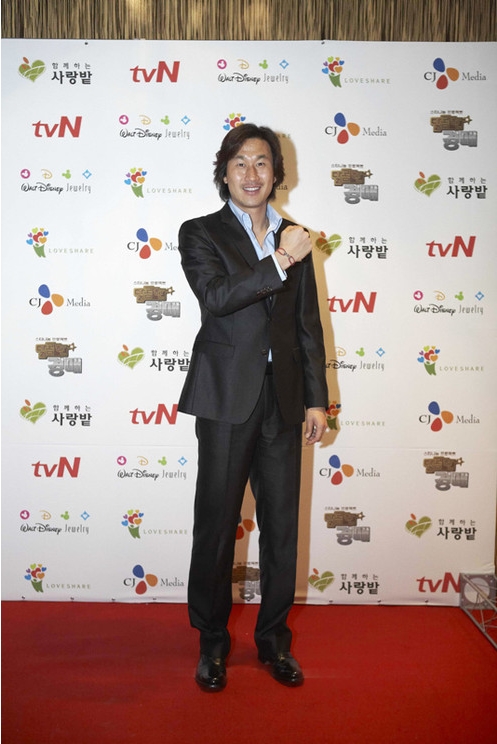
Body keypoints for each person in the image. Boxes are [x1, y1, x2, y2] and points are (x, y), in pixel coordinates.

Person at [178, 123, 328, 691]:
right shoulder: (201, 232)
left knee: (282, 529)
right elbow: (216, 297)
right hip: (225, 398)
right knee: (217, 527)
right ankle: (212, 643)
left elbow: (307, 326)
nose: (251, 173)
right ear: (224, 172)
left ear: (276, 173)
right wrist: (279, 260)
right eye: (239, 162)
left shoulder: (295, 237)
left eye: (262, 162)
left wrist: (317, 399)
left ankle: (274, 643)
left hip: (283, 400)